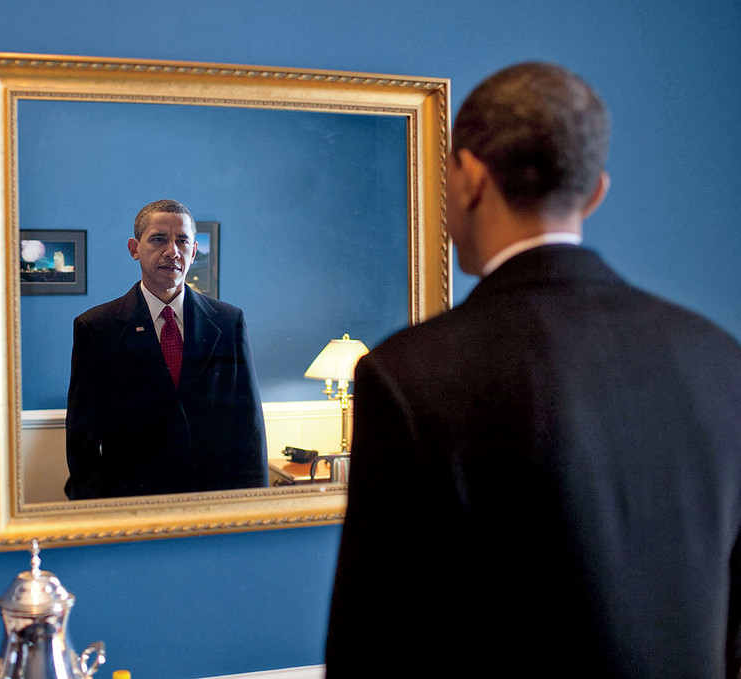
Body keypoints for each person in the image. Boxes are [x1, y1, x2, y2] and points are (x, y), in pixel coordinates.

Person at [325, 63, 741, 677]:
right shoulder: (717, 357)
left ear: (467, 176)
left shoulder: (408, 375)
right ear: (596, 191)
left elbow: (373, 650)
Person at [64, 199, 268, 499]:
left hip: (216, 501)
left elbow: (248, 426)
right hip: (130, 502)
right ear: (135, 248)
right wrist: (93, 507)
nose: (172, 251)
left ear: (194, 251)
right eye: (159, 239)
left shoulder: (228, 322)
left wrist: (255, 505)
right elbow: (82, 437)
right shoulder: (97, 327)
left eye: (182, 241)